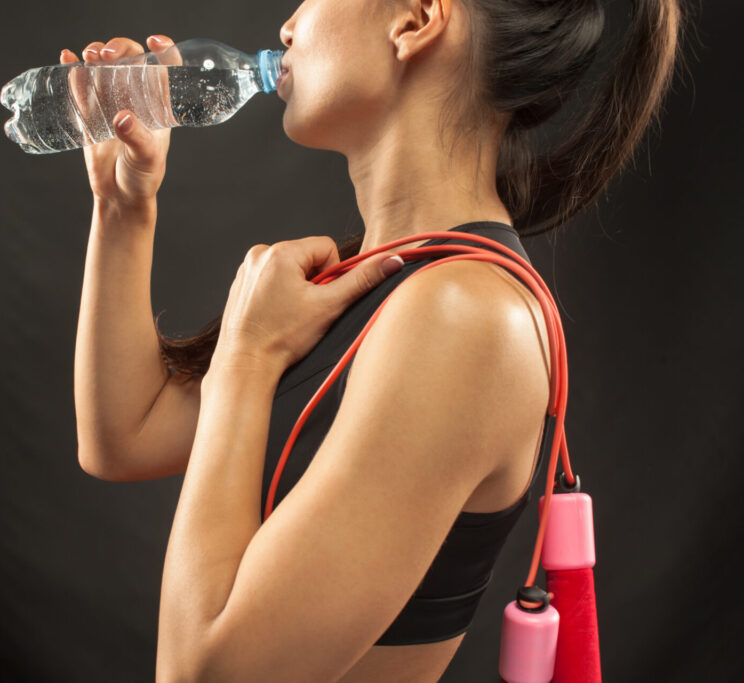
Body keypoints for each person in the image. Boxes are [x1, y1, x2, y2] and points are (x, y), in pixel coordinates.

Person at [70, 1, 682, 680]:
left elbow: (203, 673)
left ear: (416, 18)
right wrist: (124, 204)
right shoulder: (380, 282)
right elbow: (126, 433)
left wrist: (247, 358)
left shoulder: (465, 316)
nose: (287, 26)